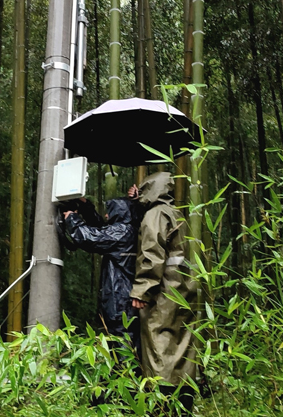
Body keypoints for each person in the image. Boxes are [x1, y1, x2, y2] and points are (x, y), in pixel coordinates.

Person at [129, 172, 198, 416]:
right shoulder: (176, 213)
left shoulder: (155, 215)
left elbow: (152, 255)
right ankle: (184, 403)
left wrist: (141, 290)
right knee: (181, 346)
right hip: (183, 289)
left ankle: (162, 405)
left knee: (158, 345)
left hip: (163, 292)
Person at [63, 197, 139, 348]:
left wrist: (71, 218)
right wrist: (86, 207)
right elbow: (100, 229)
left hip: (120, 302)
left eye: (109, 212)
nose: (106, 216)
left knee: (122, 346)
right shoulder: (129, 230)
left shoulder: (122, 231)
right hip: (123, 300)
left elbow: (89, 237)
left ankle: (124, 372)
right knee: (120, 344)